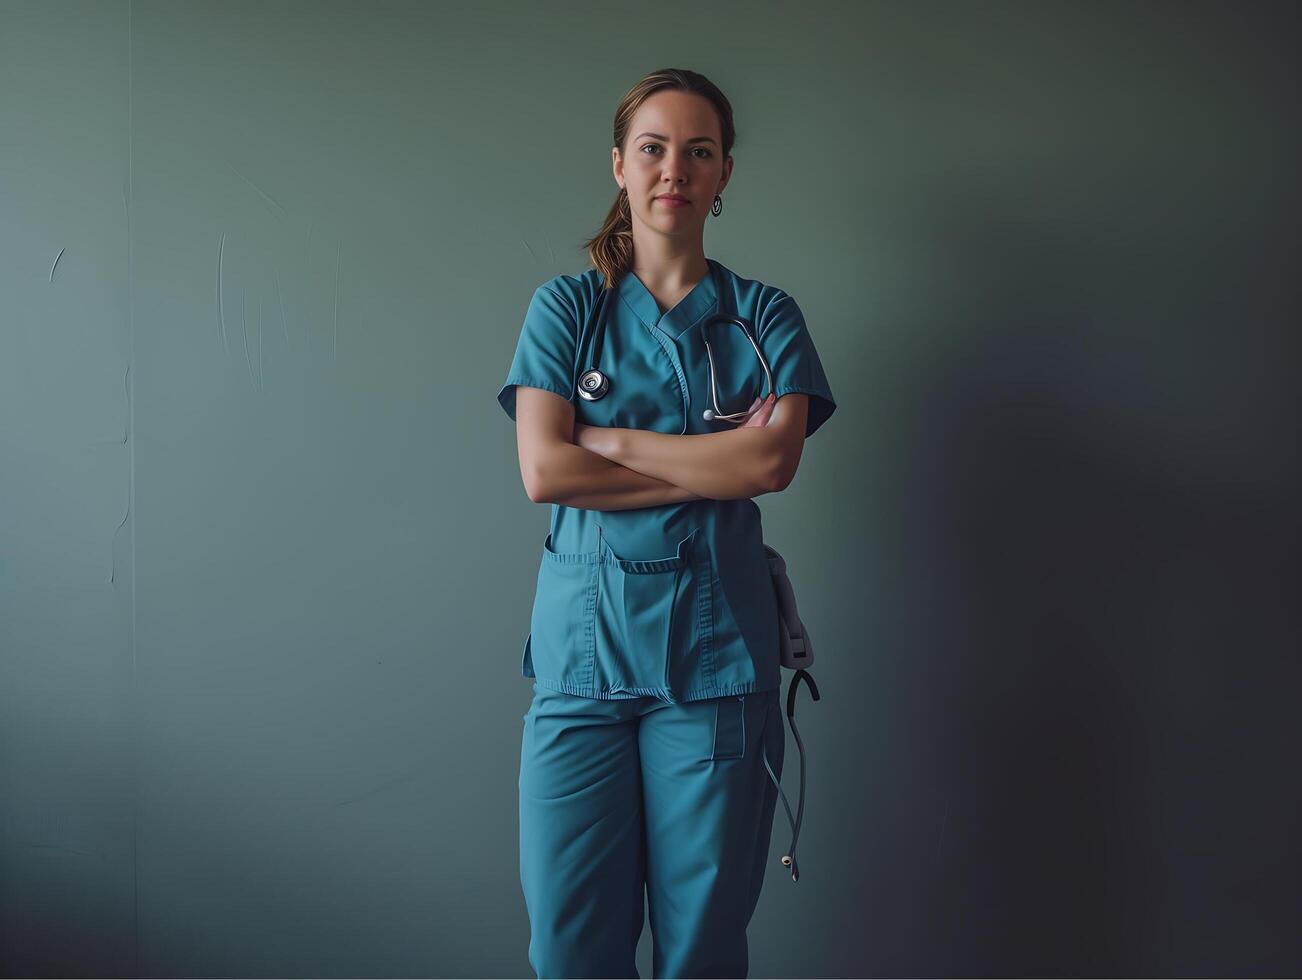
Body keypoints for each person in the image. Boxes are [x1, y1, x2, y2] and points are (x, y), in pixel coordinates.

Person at [496, 67, 837, 979]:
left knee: (701, 951)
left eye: (698, 152)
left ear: (726, 173)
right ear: (619, 164)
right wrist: (709, 467)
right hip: (582, 668)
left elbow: (771, 463)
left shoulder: (764, 318)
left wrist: (610, 441)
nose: (673, 170)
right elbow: (544, 470)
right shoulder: (568, 309)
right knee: (570, 949)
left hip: (715, 670)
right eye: (653, 148)